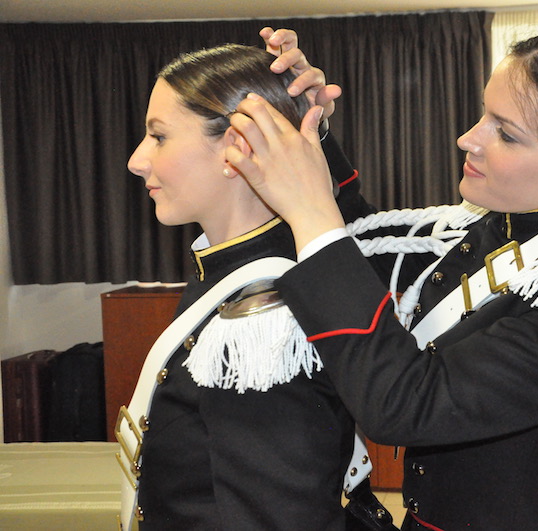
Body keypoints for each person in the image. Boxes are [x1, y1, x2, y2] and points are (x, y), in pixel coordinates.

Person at [230, 29, 538, 530]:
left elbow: (404, 406)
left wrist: (309, 210)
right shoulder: (501, 222)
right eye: (485, 114)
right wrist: (308, 128)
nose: (469, 139)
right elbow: (363, 249)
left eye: (506, 134)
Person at [120, 42, 394, 530]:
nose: (137, 161)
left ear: (237, 148)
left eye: (158, 136)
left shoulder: (265, 319)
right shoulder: (235, 270)